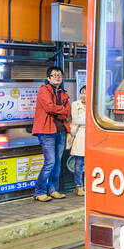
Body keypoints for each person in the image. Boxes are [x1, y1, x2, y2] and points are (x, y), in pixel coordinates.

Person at [31, 65, 71, 202]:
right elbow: (49, 107)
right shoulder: (44, 90)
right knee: (50, 162)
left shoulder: (63, 92)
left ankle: (53, 189)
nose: (57, 77)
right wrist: (61, 109)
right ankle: (39, 191)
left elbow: (68, 112)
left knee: (57, 162)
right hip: (46, 131)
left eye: (59, 75)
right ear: (48, 78)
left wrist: (57, 110)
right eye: (54, 75)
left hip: (60, 131)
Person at [70, 85, 87, 197]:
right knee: (79, 163)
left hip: (91, 135)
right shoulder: (75, 104)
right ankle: (78, 186)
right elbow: (76, 120)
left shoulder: (93, 104)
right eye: (82, 92)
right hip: (80, 134)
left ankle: (86, 186)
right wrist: (88, 120)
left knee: (89, 163)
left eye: (86, 92)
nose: (83, 95)